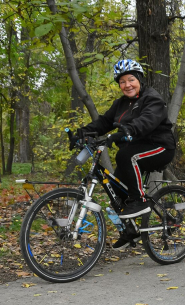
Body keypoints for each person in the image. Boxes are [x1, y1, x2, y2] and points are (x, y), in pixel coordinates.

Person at [70, 59, 176, 249]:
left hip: (160, 147)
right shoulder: (120, 104)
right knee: (115, 190)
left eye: (131, 80)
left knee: (126, 156)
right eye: (122, 82)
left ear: (139, 80)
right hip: (135, 149)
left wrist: (127, 131)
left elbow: (146, 121)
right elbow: (104, 122)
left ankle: (140, 201)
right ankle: (130, 232)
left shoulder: (153, 99)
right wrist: (84, 133)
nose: (127, 85)